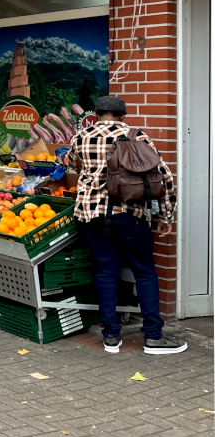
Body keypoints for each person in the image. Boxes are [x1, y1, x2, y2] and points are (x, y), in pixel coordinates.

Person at [64, 95, 186, 355]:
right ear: (123, 115)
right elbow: (164, 177)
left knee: (105, 273)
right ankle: (153, 336)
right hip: (130, 214)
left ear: (97, 113)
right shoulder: (136, 136)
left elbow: (72, 165)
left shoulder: (81, 136)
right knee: (144, 272)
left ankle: (110, 337)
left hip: (93, 216)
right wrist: (166, 216)